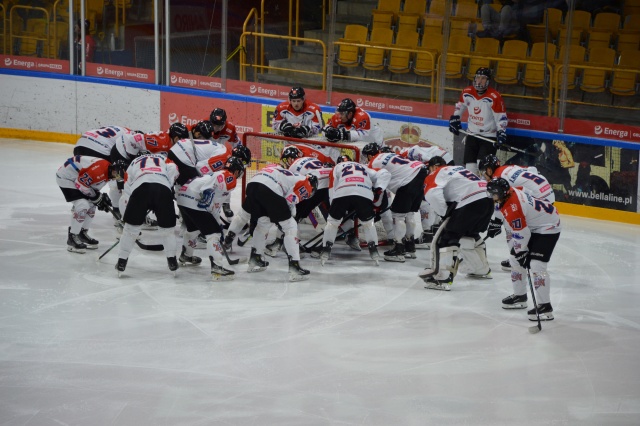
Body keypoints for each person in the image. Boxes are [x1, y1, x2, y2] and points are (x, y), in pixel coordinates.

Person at [224, 166, 317, 282]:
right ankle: (295, 268)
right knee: (291, 226)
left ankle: (255, 259)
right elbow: (289, 202)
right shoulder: (307, 182)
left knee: (262, 223)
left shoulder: (289, 175)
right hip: (269, 189)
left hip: (252, 185)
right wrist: (287, 216)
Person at [486, 177, 561, 321]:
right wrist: (519, 253)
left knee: (536, 265)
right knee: (514, 259)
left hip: (549, 226)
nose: (492, 197)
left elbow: (522, 232)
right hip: (536, 224)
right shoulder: (510, 193)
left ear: (502, 193)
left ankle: (545, 306)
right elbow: (525, 192)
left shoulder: (512, 207)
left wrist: (521, 251)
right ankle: (520, 296)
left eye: (494, 194)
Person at [419, 156, 495, 290]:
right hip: (488, 199)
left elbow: (432, 194)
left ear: (434, 167)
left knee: (446, 238)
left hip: (469, 202)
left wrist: (444, 213)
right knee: (470, 235)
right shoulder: (458, 168)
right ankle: (481, 269)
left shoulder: (435, 174)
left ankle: (443, 278)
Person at [479, 154, 555, 271]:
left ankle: (516, 257)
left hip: (538, 199)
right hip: (548, 195)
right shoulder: (509, 168)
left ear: (489, 169)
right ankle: (527, 253)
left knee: (511, 219)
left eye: (484, 172)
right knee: (520, 218)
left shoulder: (498, 177)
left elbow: (502, 202)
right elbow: (533, 170)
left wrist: (497, 221)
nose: (484, 176)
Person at [175, 157, 245, 281]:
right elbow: (219, 184)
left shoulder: (214, 174)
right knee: (214, 234)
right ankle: (217, 266)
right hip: (194, 200)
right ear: (235, 170)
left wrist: (216, 222)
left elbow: (215, 208)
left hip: (182, 198)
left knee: (193, 229)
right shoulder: (228, 176)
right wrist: (207, 192)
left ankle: (186, 255)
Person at [115, 153, 180, 276]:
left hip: (141, 189)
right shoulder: (163, 158)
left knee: (130, 230)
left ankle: (121, 262)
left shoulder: (134, 162)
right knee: (167, 231)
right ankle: (172, 261)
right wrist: (167, 184)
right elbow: (174, 169)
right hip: (162, 188)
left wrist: (135, 205)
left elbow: (127, 185)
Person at [319, 155, 391, 266]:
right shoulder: (364, 166)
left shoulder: (337, 167)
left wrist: (333, 207)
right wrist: (378, 188)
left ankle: (326, 249)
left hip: (343, 192)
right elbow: (385, 173)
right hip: (364, 193)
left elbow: (332, 187)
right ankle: (373, 250)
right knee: (368, 223)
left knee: (332, 222)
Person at [363, 143, 428, 262]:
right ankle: (410, 247)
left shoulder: (373, 163)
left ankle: (398, 249)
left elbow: (379, 188)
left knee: (398, 216)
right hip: (421, 171)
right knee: (409, 214)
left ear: (369, 155)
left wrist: (375, 204)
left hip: (408, 180)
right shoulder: (389, 154)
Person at [265, 146, 333, 257]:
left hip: (313, 186)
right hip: (330, 185)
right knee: (334, 218)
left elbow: (290, 191)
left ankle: (280, 244)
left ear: (290, 158)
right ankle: (325, 247)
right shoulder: (313, 159)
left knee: (289, 214)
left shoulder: (293, 166)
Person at [449, 67, 508, 175]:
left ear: (488, 81)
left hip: (488, 136)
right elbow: (459, 107)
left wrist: (501, 132)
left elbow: (501, 118)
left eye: (483, 78)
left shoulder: (494, 97)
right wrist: (455, 119)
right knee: (470, 170)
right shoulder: (467, 92)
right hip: (472, 134)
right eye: (478, 78)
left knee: (484, 170)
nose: (479, 81)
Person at [55, 155, 115, 253]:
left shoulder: (108, 170)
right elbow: (81, 184)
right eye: (116, 173)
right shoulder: (98, 170)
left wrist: (99, 199)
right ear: (113, 168)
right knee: (83, 205)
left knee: (91, 205)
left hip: (77, 177)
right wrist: (96, 197)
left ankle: (82, 233)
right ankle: (72, 237)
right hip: (66, 178)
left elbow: (90, 185)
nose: (116, 176)